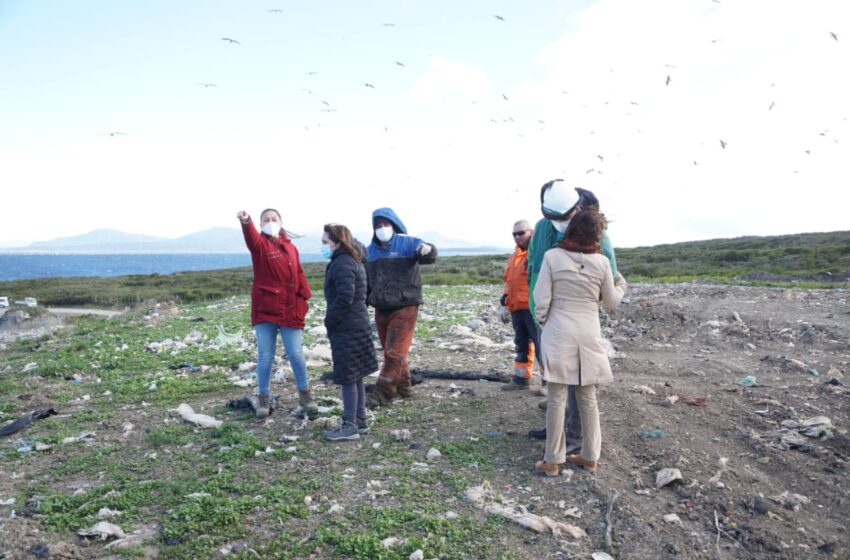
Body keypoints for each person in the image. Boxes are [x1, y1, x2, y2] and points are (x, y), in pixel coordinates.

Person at [532, 207, 627, 475]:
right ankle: (590, 456)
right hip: (588, 332)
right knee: (588, 397)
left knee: (556, 397)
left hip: (558, 329)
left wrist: (544, 322)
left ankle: (552, 460)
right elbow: (611, 302)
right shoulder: (602, 263)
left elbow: (541, 300)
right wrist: (621, 285)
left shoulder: (552, 257)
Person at [237, 208, 318, 419]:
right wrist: (246, 222)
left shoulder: (291, 247)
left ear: (281, 222)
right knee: (265, 356)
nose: (270, 222)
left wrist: (304, 293)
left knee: (296, 354)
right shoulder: (260, 246)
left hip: (291, 308)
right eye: (266, 220)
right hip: (266, 309)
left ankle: (305, 394)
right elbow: (251, 238)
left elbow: (299, 271)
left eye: (274, 219)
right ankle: (263, 398)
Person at [364, 207, 437, 406]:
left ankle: (383, 392)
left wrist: (428, 249)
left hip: (405, 305)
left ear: (393, 225)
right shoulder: (369, 251)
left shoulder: (409, 243)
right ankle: (404, 387)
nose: (382, 228)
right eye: (378, 225)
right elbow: (365, 280)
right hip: (381, 307)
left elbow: (429, 255)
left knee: (393, 353)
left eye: (385, 224)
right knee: (393, 350)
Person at [320, 224, 379, 441]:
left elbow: (345, 296)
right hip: (358, 324)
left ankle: (350, 424)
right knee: (356, 375)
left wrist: (330, 321)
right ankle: (360, 419)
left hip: (347, 327)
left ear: (337, 242)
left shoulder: (342, 263)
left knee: (347, 376)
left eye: (325, 242)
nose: (323, 246)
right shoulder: (354, 260)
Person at [499, 219, 539, 391]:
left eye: (521, 233)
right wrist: (503, 301)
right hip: (516, 308)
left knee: (542, 345)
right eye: (514, 234)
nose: (517, 237)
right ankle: (521, 379)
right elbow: (509, 282)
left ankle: (549, 384)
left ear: (531, 232)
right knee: (521, 344)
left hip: (533, 308)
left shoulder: (536, 253)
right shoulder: (514, 256)